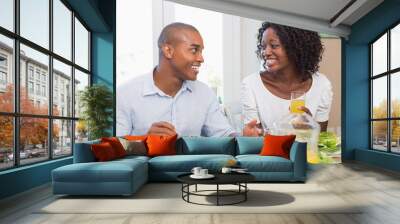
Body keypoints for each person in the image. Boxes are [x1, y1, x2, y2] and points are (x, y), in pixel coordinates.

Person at [117, 22, 255, 137]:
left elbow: (223, 135)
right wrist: (145, 141)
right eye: (194, 50)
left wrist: (244, 138)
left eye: (201, 51)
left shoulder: (205, 94)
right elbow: (115, 146)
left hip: (193, 170)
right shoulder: (125, 94)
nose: (201, 59)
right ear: (168, 51)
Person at [241, 22, 333, 136]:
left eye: (274, 45)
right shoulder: (251, 84)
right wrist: (249, 136)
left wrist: (311, 126)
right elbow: (257, 140)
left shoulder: (322, 85)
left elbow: (320, 140)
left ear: (296, 47)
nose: (266, 52)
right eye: (263, 47)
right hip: (270, 153)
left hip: (302, 153)